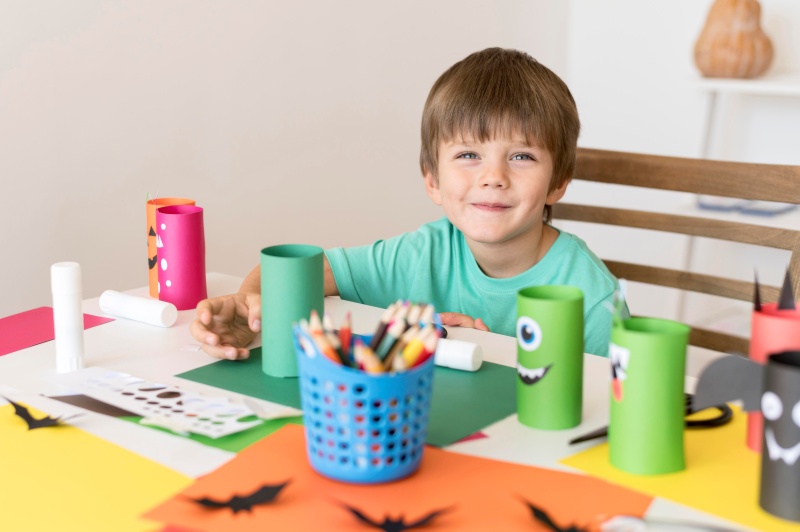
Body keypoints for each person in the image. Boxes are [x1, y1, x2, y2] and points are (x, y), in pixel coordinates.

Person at [190, 47, 624, 361]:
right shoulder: (421, 253)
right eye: (469, 155)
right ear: (432, 180)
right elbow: (283, 272)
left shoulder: (591, 296)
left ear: (558, 182)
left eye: (522, 156)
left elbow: (617, 403)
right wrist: (250, 307)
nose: (494, 176)